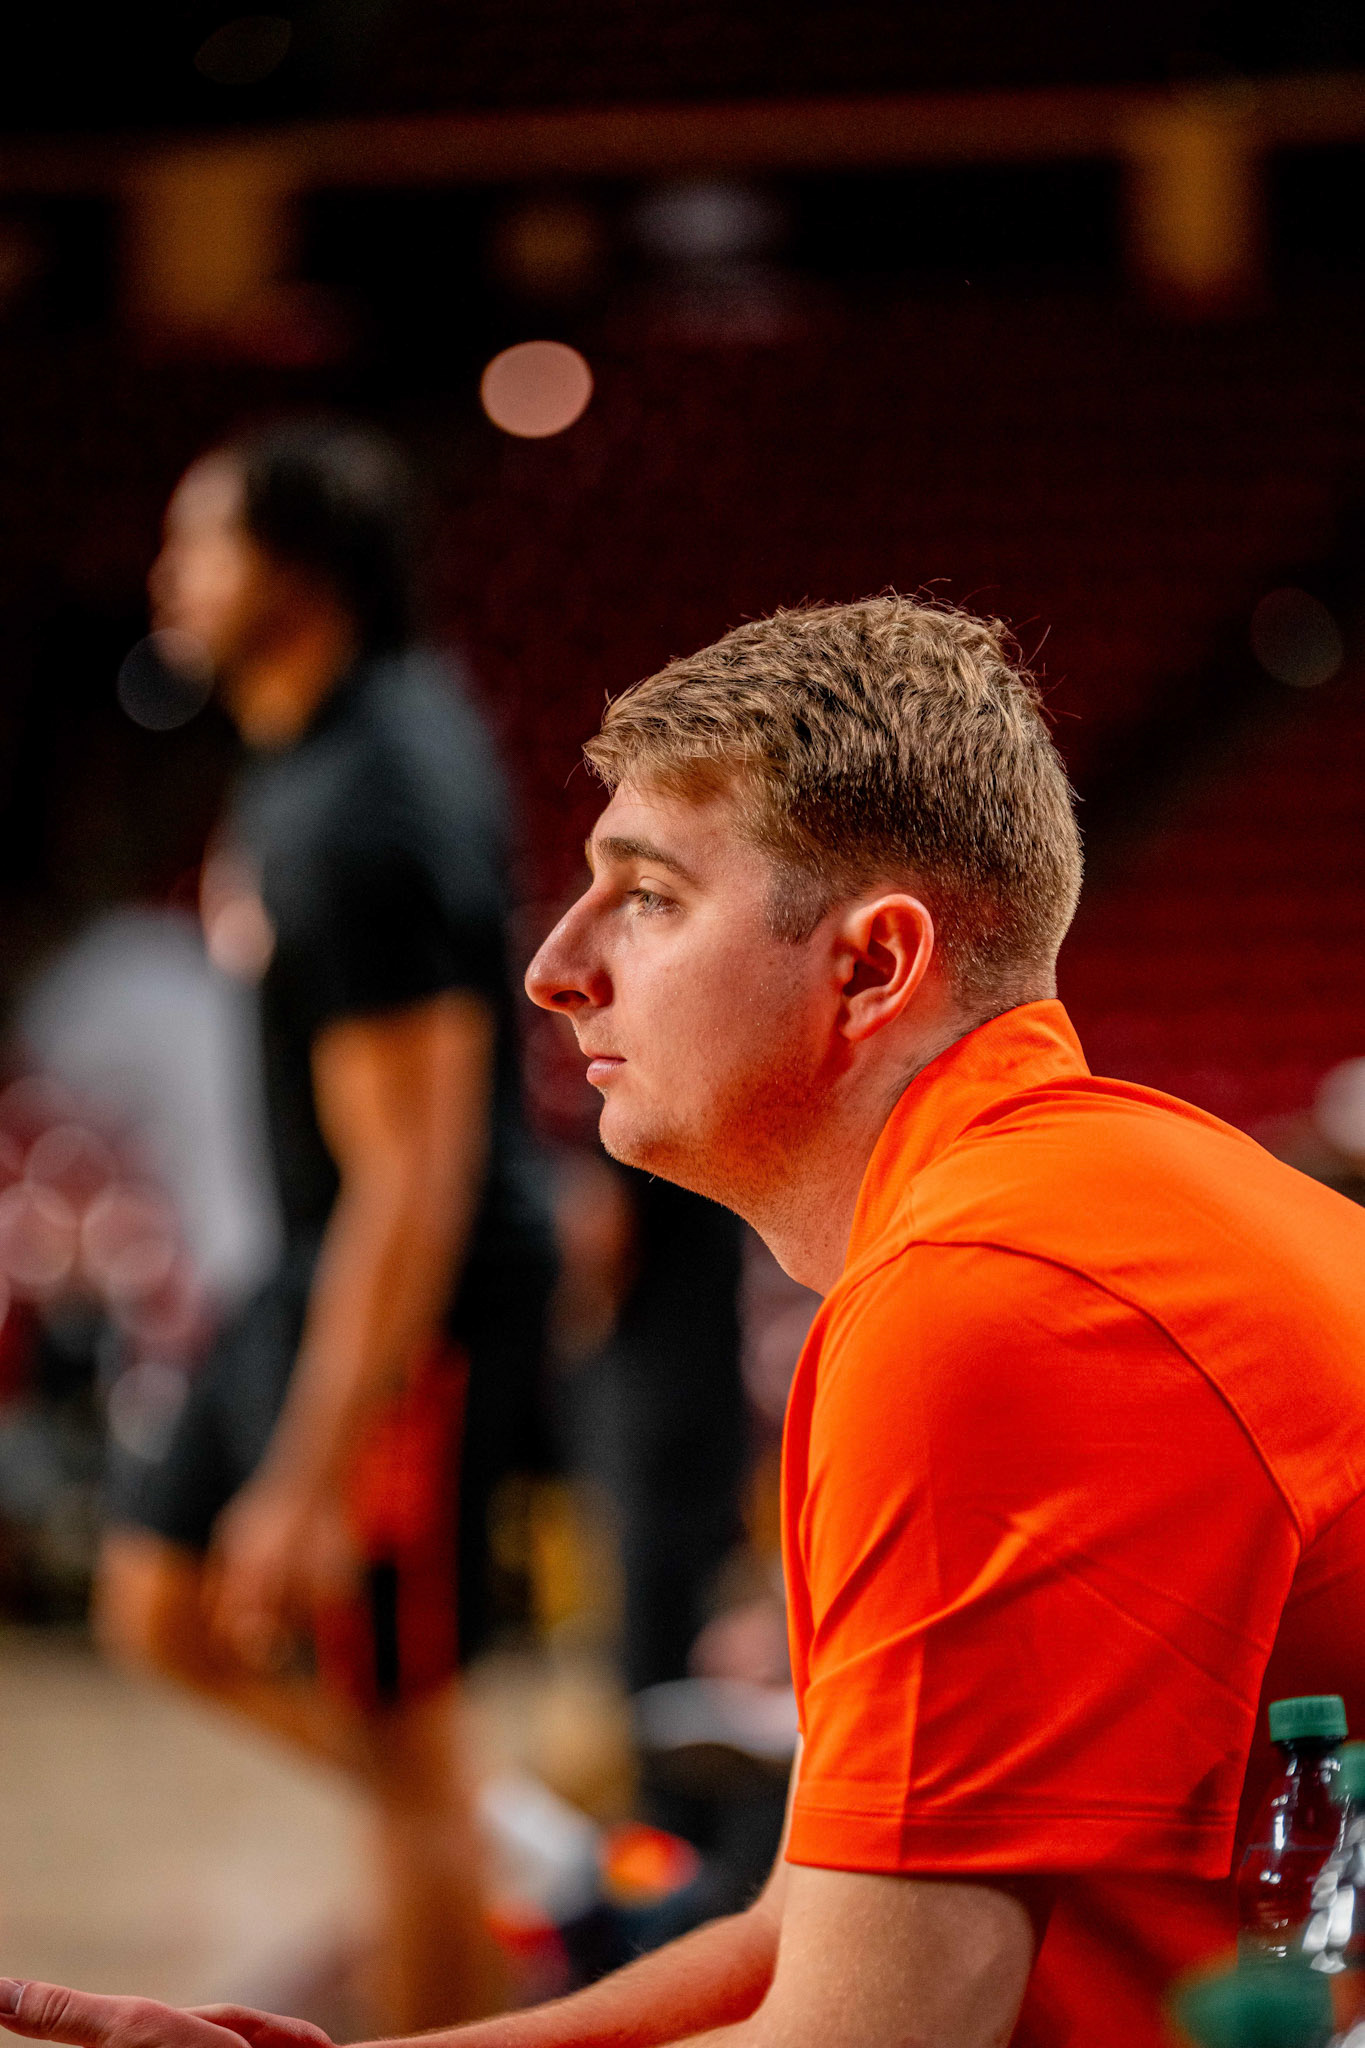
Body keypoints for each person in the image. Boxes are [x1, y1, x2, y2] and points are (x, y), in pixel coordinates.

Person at [9, 592, 1365, 2046]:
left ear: (869, 966)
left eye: (646, 895)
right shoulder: (1100, 1203)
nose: (555, 966)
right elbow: (797, 1936)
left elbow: (864, 2040)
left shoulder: (987, 1308)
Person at [92, 421, 556, 2029]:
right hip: (306, 1264)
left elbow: (414, 1179)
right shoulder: (313, 746)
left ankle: (470, 1888)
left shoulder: (372, 805)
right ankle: (492, 1842)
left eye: (196, 545)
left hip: (406, 1296)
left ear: (293, 573)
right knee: (154, 1605)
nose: (168, 578)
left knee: (408, 1743)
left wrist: (304, 1474)